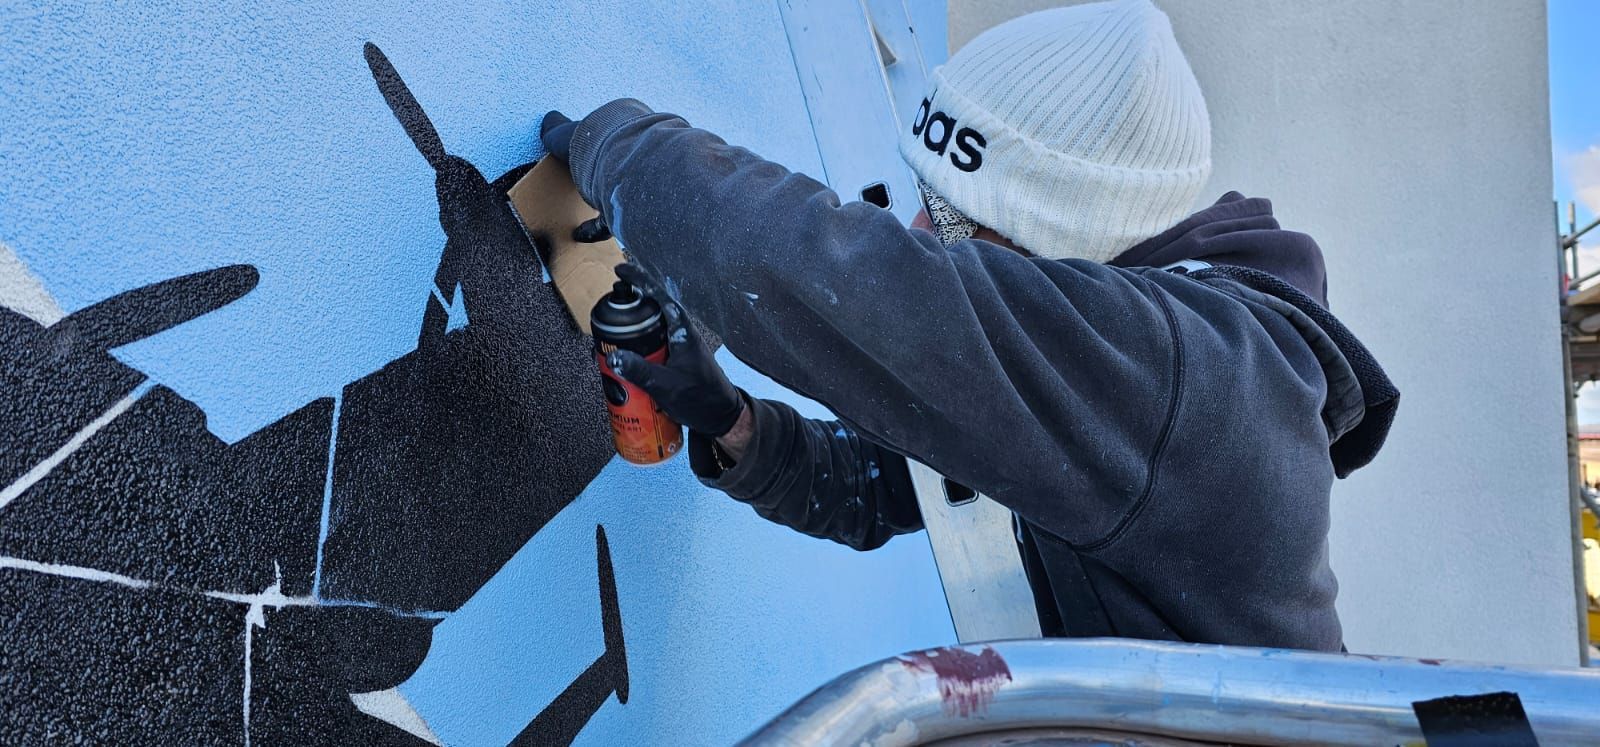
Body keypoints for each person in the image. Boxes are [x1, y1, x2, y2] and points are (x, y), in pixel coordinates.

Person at [539, 0, 1397, 650]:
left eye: (953, 224)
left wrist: (618, 146)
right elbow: (888, 488)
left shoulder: (1186, 376)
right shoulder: (1099, 385)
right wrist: (734, 424)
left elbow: (826, 269)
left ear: (1070, 232)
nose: (919, 235)